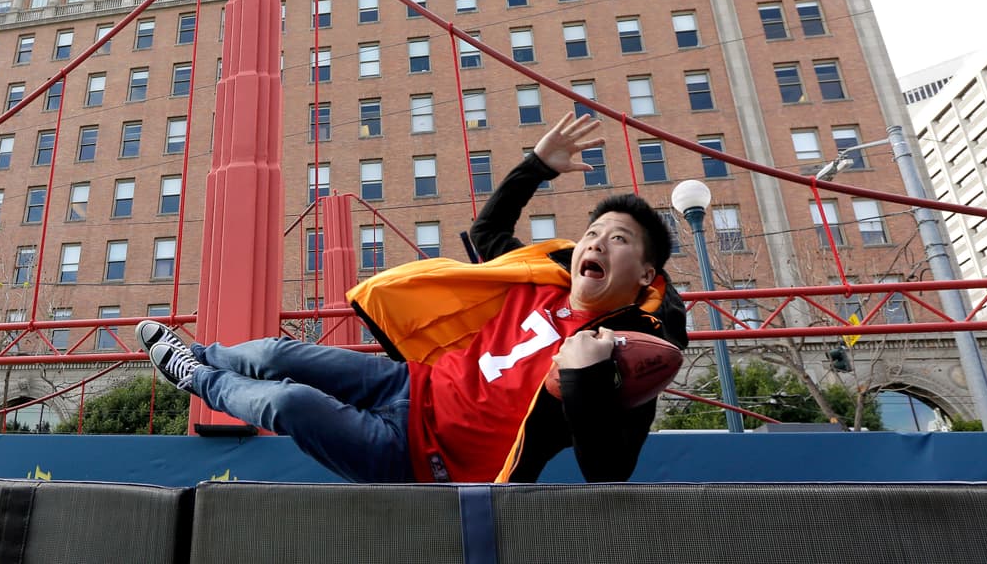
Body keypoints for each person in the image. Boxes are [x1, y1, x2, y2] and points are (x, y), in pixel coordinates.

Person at [138, 113, 686, 483]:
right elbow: (490, 228)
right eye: (592, 234)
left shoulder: (625, 354)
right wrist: (536, 166)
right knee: (280, 355)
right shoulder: (538, 279)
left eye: (618, 240)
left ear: (646, 274)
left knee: (288, 403)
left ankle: (193, 376)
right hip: (410, 383)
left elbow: (610, 470)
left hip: (424, 458)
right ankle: (201, 356)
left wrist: (585, 379)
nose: (595, 243)